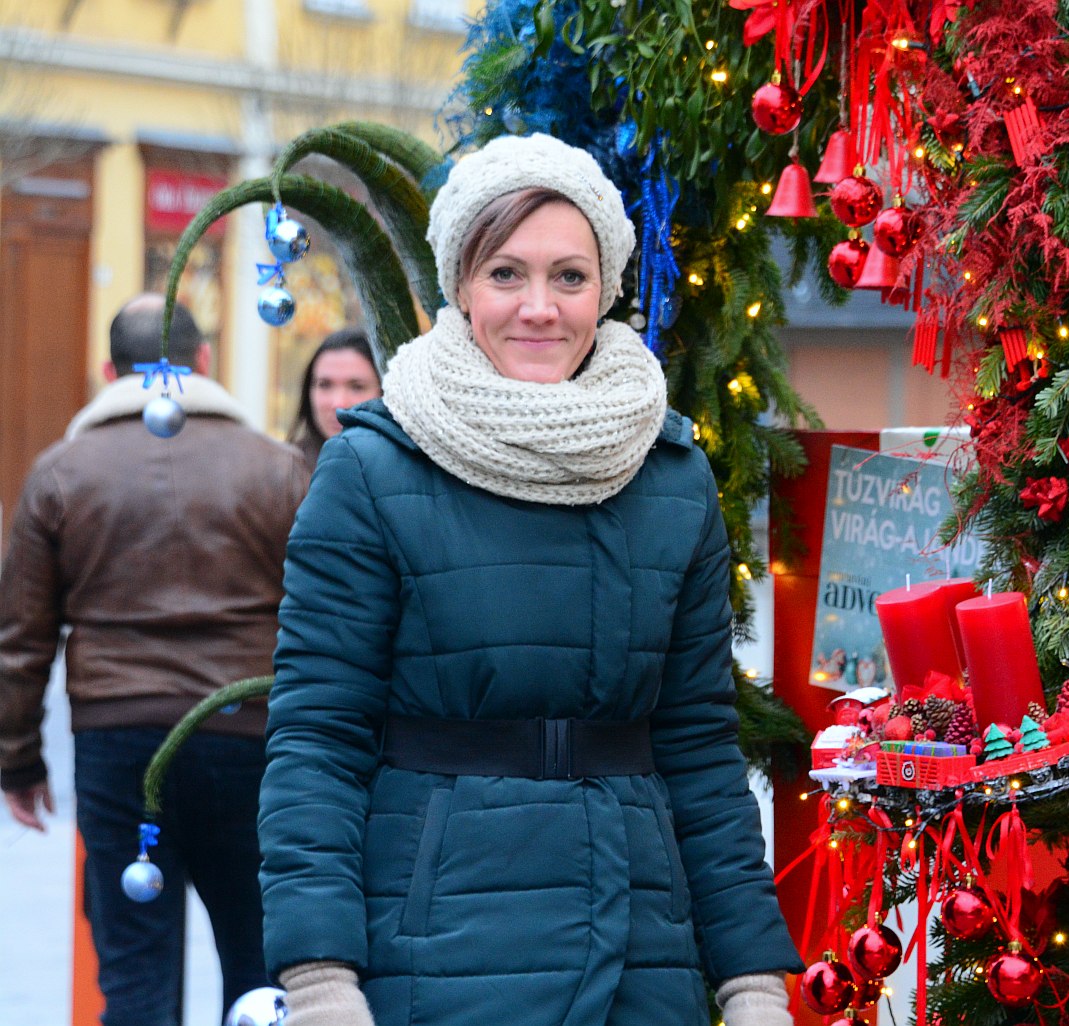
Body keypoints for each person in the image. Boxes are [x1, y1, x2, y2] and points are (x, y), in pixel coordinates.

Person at [259, 134, 802, 1026]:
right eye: (506, 273)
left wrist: (752, 981)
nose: (539, 308)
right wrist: (320, 980)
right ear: (462, 286)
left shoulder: (670, 476)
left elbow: (700, 751)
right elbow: (317, 742)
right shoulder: (371, 469)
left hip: (641, 960)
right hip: (435, 956)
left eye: (569, 277)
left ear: (607, 288)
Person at [0, 295, 309, 1025]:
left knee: (136, 974)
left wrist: (17, 761)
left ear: (111, 371)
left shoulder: (60, 473)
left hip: (118, 744)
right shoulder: (279, 468)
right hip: (250, 740)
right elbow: (321, 617)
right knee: (262, 968)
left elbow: (22, 637)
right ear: (204, 360)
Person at [290, 327, 382, 466]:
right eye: (325, 385)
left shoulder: (412, 473)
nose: (339, 404)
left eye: (357, 387)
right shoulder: (284, 474)